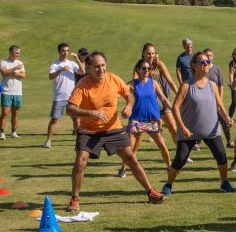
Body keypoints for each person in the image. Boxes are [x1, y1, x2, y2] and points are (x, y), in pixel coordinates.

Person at [65, 50, 164, 211]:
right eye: (96, 67)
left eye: (103, 65)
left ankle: (151, 192)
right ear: (88, 67)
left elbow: (129, 95)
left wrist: (129, 107)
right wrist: (90, 113)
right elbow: (69, 109)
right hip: (89, 129)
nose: (101, 70)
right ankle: (74, 199)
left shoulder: (113, 79)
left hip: (113, 128)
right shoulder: (82, 85)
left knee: (131, 158)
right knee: (80, 161)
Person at [168, 53, 235, 194]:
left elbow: (219, 105)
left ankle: (224, 183)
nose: (205, 64)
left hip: (211, 130)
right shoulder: (186, 85)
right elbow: (175, 107)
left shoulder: (212, 85)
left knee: (221, 156)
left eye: (208, 61)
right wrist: (182, 127)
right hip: (189, 131)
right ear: (193, 65)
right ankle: (168, 185)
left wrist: (227, 117)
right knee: (180, 159)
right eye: (202, 62)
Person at [116, 58, 175, 179]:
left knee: (162, 146)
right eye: (144, 68)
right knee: (130, 148)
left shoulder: (153, 83)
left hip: (152, 120)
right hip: (136, 120)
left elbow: (163, 98)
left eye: (148, 68)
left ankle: (169, 167)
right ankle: (123, 168)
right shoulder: (132, 84)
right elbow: (118, 93)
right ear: (138, 69)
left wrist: (174, 109)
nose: (146, 70)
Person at [44, 43, 83, 149]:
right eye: (63, 51)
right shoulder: (55, 65)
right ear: (59, 51)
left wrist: (77, 59)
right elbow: (50, 76)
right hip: (59, 97)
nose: (65, 53)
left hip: (71, 97)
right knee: (54, 119)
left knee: (76, 118)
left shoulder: (72, 63)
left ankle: (79, 139)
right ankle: (48, 141)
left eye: (67, 51)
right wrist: (60, 70)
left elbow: (83, 71)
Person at [0, 45, 25, 140]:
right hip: (6, 91)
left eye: (19, 53)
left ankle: (13, 132)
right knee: (5, 112)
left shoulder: (20, 63)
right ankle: (2, 133)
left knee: (15, 112)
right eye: (16, 53)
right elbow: (3, 72)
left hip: (17, 91)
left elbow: (23, 75)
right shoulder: (3, 62)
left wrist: (13, 73)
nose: (18, 55)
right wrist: (15, 68)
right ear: (10, 52)